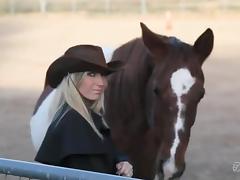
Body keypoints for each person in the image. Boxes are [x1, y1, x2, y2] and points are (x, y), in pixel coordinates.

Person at [30, 45, 133, 177]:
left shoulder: (84, 116)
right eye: (91, 74)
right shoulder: (74, 122)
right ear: (74, 79)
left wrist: (122, 161)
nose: (101, 82)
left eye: (102, 75)